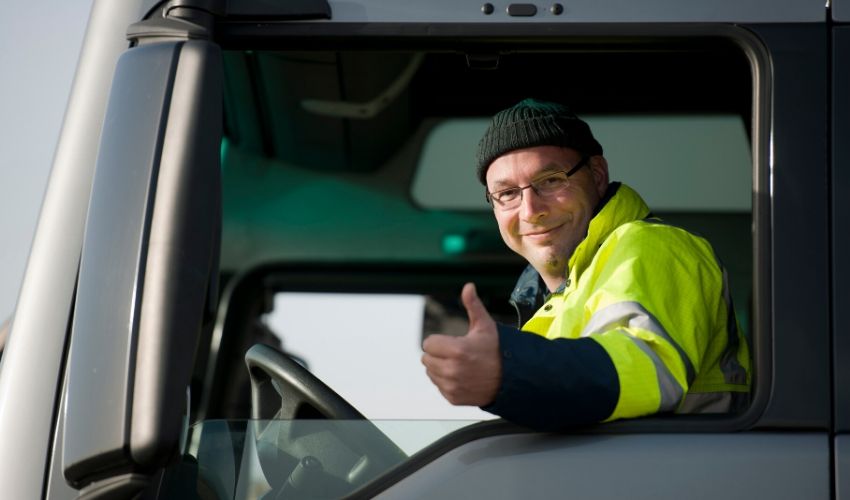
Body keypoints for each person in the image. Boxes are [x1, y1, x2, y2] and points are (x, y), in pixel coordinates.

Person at [421, 98, 751, 430]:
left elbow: (646, 364)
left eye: (550, 180)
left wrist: (507, 369)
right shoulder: (556, 300)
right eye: (507, 193)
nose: (530, 209)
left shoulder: (650, 244)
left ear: (596, 175)